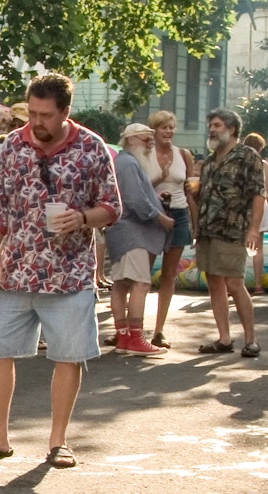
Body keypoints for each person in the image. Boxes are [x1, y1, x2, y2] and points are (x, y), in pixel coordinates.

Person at [0, 73, 120, 470]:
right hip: (15, 269)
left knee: (68, 356)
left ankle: (57, 441)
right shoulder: (14, 145)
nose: (36, 122)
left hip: (69, 273)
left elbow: (111, 207)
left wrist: (82, 218)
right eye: (32, 113)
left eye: (45, 115)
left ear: (65, 112)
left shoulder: (91, 147)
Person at [193, 109, 264, 358]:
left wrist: (254, 229)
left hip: (233, 230)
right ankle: (224, 338)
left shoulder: (247, 156)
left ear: (232, 129)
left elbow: (258, 194)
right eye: (210, 125)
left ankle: (251, 339)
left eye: (217, 125)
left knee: (234, 283)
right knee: (214, 283)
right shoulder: (210, 161)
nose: (211, 130)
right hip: (208, 230)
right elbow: (205, 196)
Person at [104, 123, 173, 357]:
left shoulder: (124, 162)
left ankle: (124, 336)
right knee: (140, 284)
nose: (151, 144)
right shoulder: (129, 163)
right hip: (131, 233)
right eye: (146, 140)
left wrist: (154, 199)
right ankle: (135, 338)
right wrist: (160, 216)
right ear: (131, 140)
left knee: (121, 284)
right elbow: (135, 200)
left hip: (121, 231)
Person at [148, 110, 198, 348]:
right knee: (142, 275)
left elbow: (190, 191)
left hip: (178, 213)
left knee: (169, 275)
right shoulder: (144, 154)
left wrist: (196, 223)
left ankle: (159, 330)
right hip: (152, 215)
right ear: (153, 130)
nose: (168, 131)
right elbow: (137, 187)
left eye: (171, 127)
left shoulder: (183, 154)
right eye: (163, 127)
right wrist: (159, 179)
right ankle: (130, 329)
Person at [244, 132, 268, 295]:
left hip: (242, 205)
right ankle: (258, 285)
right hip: (260, 205)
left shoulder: (240, 162)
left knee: (238, 246)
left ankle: (235, 285)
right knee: (259, 247)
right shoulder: (263, 164)